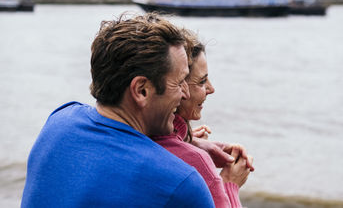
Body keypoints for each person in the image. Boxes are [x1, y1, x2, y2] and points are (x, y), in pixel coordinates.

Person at [21, 13, 215, 207]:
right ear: (141, 90)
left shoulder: (59, 120)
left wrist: (184, 143)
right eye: (180, 81)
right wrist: (228, 182)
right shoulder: (182, 184)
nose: (185, 94)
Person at [153, 29, 254, 207]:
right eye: (201, 81)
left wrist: (187, 140)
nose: (211, 88)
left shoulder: (137, 132)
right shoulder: (195, 163)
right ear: (178, 83)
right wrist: (229, 184)